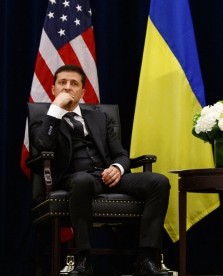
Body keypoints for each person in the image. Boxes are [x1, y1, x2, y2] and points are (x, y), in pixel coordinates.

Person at [29, 64, 171, 276]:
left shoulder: (99, 117)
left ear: (83, 92)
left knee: (159, 182)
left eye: (74, 84)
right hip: (74, 178)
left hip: (107, 175)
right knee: (82, 181)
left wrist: (118, 167)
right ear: (53, 89)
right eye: (62, 83)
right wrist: (56, 111)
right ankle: (83, 259)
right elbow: (43, 146)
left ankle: (145, 258)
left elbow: (121, 153)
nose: (68, 88)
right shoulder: (45, 120)